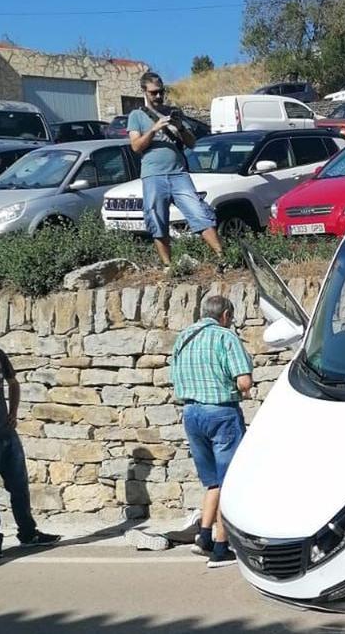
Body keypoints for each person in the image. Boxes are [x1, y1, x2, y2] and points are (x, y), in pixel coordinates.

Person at [170, 295, 253, 568]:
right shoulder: (225, 338)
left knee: (213, 482)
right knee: (230, 481)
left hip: (191, 414)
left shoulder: (183, 337)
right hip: (220, 413)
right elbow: (244, 382)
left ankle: (203, 537)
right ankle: (220, 547)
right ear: (226, 314)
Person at [128, 71, 227, 273]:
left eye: (161, 92)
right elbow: (136, 146)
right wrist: (155, 129)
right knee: (157, 218)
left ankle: (223, 258)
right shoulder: (137, 115)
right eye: (154, 93)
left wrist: (180, 127)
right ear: (144, 92)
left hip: (179, 174)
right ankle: (168, 266)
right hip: (153, 175)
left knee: (199, 212)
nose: (158, 96)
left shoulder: (174, 113)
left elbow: (191, 143)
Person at [0, 311, 60, 560]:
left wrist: (13, 411)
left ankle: (28, 533)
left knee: (19, 486)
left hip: (6, 434)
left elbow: (13, 383)